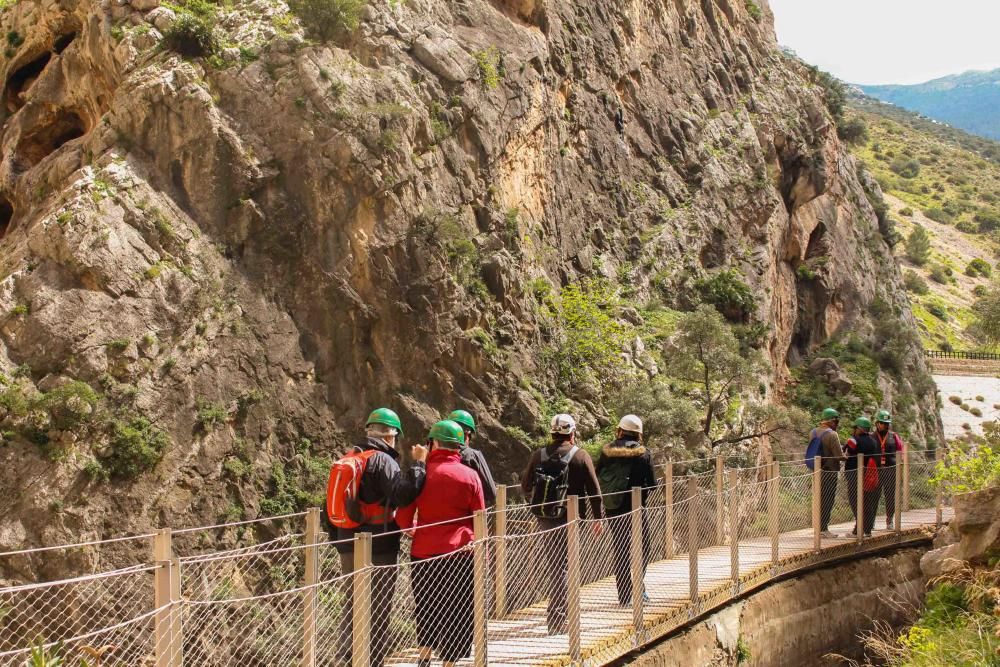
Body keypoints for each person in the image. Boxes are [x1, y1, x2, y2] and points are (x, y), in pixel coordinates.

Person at [332, 408, 427, 667]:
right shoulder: (382, 460)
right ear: (391, 436)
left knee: (352, 602)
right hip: (379, 545)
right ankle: (372, 661)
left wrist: (340, 541)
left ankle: (346, 659)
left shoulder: (350, 457)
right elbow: (402, 495)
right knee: (377, 605)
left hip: (346, 540)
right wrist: (418, 464)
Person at [396, 420, 485, 667]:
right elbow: (480, 517)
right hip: (461, 553)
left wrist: (416, 532)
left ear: (433, 443)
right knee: (457, 608)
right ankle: (449, 663)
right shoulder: (470, 476)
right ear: (459, 446)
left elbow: (403, 516)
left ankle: (424, 657)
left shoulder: (422, 474)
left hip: (424, 552)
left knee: (426, 605)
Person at [520, 414, 603, 635]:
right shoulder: (581, 456)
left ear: (553, 433)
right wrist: (598, 519)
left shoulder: (539, 455)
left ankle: (560, 615)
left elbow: (526, 484)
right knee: (565, 567)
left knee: (557, 566)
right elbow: (594, 491)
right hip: (572, 519)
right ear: (572, 433)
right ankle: (558, 619)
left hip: (545, 518)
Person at [596, 415, 657, 606]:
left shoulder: (607, 451)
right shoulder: (643, 453)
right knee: (644, 547)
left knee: (621, 550)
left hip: (613, 507)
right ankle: (638, 588)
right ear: (638, 433)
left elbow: (599, 475)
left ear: (620, 430)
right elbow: (652, 484)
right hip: (636, 508)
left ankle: (624, 596)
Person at [448, 409, 498, 505]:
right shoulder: (473, 456)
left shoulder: (432, 455)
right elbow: (491, 493)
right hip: (469, 514)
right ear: (467, 434)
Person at [843, 417, 880, 537]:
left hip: (854, 474)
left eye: (855, 428)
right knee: (867, 501)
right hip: (868, 474)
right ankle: (868, 530)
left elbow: (844, 450)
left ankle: (858, 530)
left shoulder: (853, 440)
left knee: (855, 501)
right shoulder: (873, 441)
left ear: (859, 429)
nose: (854, 430)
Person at [811, 408, 844, 539]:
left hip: (817, 471)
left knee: (819, 499)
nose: (837, 424)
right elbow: (838, 455)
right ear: (832, 420)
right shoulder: (832, 434)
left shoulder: (813, 432)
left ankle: (818, 528)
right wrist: (846, 456)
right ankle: (824, 529)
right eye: (836, 421)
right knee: (828, 500)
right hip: (830, 471)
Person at [874, 410, 903, 530]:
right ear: (877, 423)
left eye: (887, 423)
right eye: (883, 423)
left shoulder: (894, 436)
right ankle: (871, 521)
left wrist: (900, 464)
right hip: (876, 471)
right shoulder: (871, 436)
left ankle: (889, 520)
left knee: (890, 496)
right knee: (873, 496)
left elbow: (900, 450)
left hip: (890, 470)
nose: (885, 425)